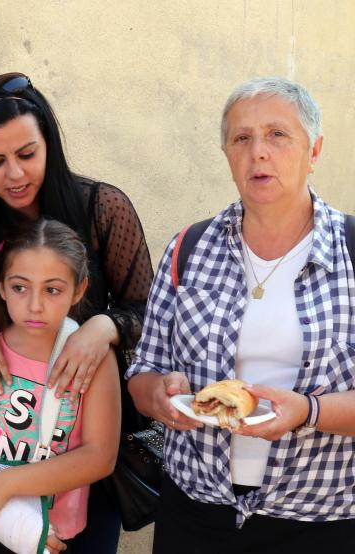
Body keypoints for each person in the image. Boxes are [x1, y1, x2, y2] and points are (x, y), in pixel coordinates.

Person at [0, 72, 153, 551]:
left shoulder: (102, 208)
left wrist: (102, 328)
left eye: (27, 154)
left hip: (76, 476)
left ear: (49, 143)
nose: (15, 174)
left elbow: (150, 313)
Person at [127, 76, 355, 552]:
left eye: (278, 135)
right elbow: (142, 374)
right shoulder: (188, 248)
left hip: (320, 522)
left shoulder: (352, 252)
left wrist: (307, 412)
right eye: (242, 138)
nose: (259, 152)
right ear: (227, 154)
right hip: (196, 513)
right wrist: (162, 397)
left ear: (314, 151)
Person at [0, 218, 120, 553]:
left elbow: (100, 457)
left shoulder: (94, 361)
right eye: (20, 287)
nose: (35, 305)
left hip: (47, 535)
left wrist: (5, 484)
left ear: (79, 290)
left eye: (52, 289)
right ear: (1, 286)